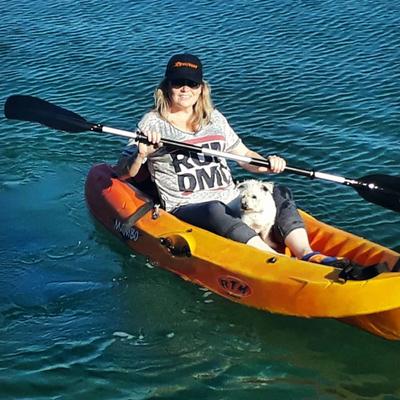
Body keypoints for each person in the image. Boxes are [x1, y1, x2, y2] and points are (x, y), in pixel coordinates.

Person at [116, 53, 345, 266]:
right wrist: (141, 154)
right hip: (186, 206)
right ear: (167, 86)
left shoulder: (214, 119)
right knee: (215, 209)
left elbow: (244, 156)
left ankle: (307, 253)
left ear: (201, 88)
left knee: (279, 192)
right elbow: (123, 172)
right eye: (178, 83)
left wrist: (267, 164)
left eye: (192, 84)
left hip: (230, 196)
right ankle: (275, 260)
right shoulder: (151, 123)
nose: (185, 89)